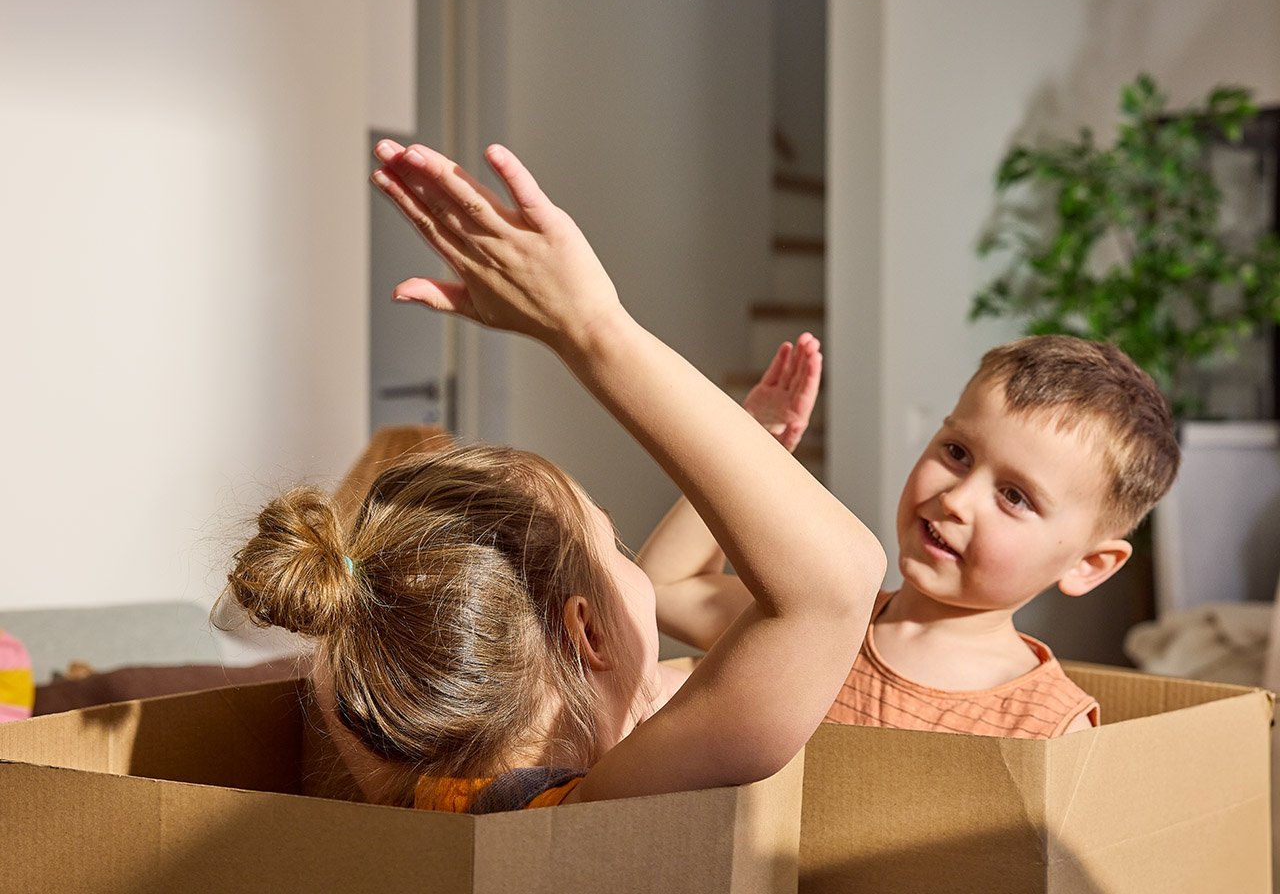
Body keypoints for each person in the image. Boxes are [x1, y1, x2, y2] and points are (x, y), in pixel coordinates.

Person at [221, 139, 886, 813]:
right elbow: (838, 586)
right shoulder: (587, 813)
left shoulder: (413, 788)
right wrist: (590, 327)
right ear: (588, 633)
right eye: (614, 545)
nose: (639, 570)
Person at [645, 334, 1180, 738]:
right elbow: (664, 588)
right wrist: (750, 446)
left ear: (1088, 565)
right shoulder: (819, 625)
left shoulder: (1047, 727)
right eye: (957, 453)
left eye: (1014, 496)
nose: (956, 499)